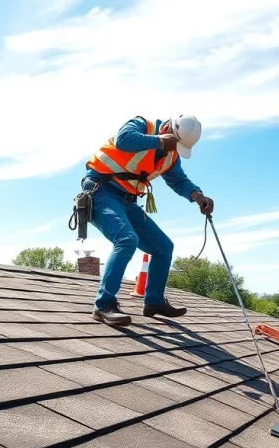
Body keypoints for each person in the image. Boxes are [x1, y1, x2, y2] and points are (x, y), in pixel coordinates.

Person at [82, 115, 215, 326]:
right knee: (126, 239)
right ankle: (104, 305)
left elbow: (179, 180)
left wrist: (197, 196)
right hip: (100, 190)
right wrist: (160, 141)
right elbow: (123, 140)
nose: (172, 150)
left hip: (127, 200)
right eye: (173, 143)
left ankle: (153, 301)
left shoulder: (171, 156)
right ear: (167, 129)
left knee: (163, 247)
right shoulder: (143, 125)